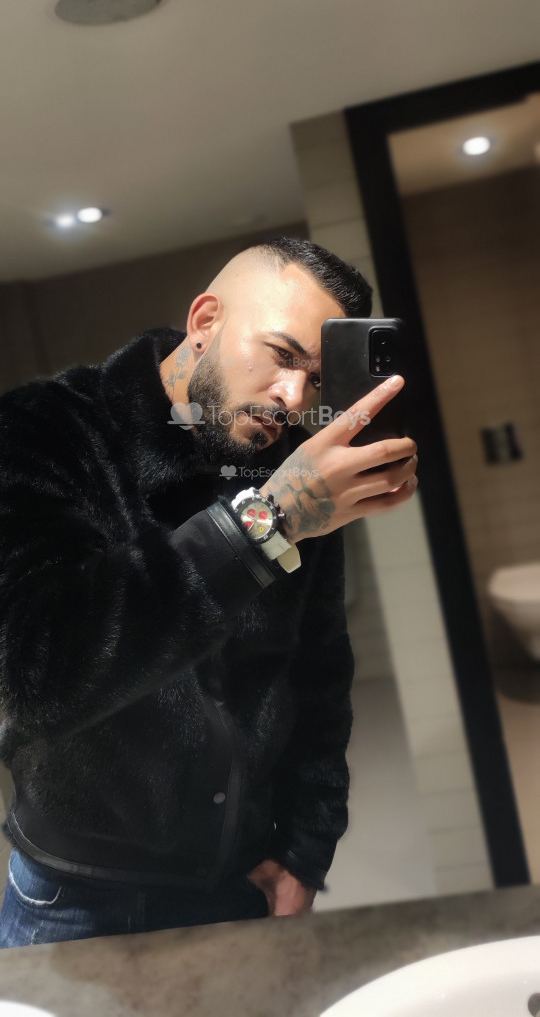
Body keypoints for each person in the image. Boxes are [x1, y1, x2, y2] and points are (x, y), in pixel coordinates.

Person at [0, 235, 418, 947]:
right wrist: (265, 524)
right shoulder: (43, 428)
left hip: (240, 878)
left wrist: (307, 850)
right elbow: (41, 677)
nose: (293, 398)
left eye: (316, 378)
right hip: (78, 897)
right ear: (205, 321)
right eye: (282, 355)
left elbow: (318, 670)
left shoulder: (290, 463)